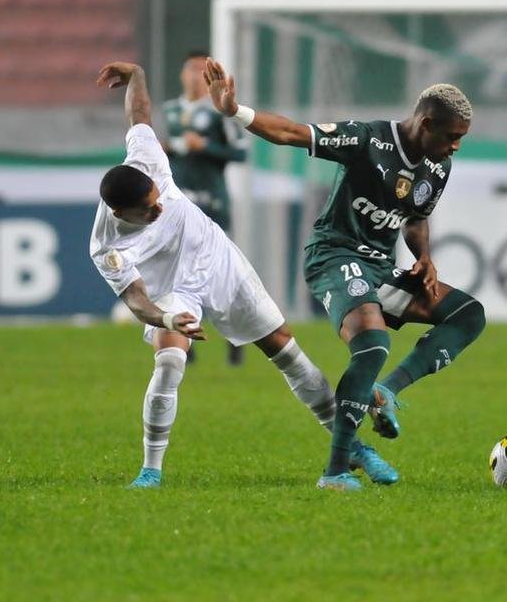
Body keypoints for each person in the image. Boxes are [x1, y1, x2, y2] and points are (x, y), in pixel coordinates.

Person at [90, 61, 396, 488]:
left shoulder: (144, 161)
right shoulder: (107, 245)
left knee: (288, 352)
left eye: (159, 199)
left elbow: (139, 115)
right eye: (151, 210)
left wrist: (139, 74)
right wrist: (164, 318)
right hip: (171, 288)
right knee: (170, 362)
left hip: (217, 258)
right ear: (122, 214)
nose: (160, 207)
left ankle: (355, 449)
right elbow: (136, 298)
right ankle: (150, 471)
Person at [203, 58, 486, 492]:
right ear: (426, 123)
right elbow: (293, 133)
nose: (456, 147)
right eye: (452, 137)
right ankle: (335, 472)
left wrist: (424, 257)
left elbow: (415, 216)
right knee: (373, 344)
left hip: (380, 268)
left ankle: (386, 392)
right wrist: (235, 110)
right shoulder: (369, 138)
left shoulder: (438, 166)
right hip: (335, 255)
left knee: (468, 314)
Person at [162, 49, 249, 366]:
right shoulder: (169, 110)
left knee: (218, 276)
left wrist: (207, 147)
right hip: (177, 205)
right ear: (182, 74)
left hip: (212, 204)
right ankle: (186, 341)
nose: (195, 75)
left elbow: (241, 153)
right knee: (176, 274)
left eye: (202, 70)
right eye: (190, 69)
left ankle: (234, 337)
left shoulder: (219, 112)